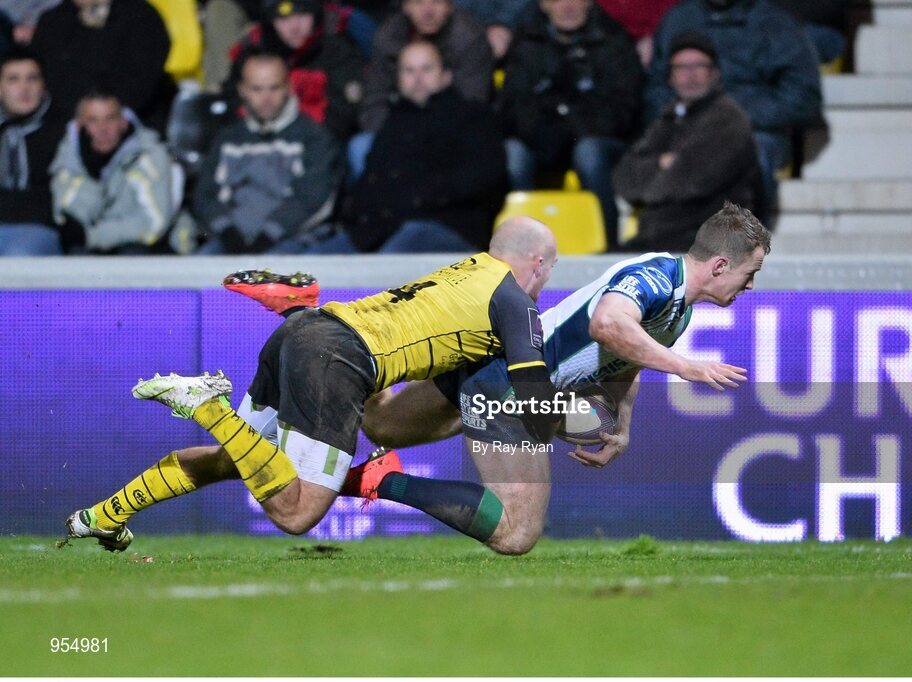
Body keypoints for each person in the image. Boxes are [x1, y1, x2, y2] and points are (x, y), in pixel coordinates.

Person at [223, 201, 768, 555]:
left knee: (382, 423)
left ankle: (302, 311)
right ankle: (376, 480)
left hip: (499, 371)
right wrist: (687, 366)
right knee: (517, 532)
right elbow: (609, 325)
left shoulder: (680, 310)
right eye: (750, 273)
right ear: (720, 265)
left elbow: (627, 360)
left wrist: (621, 427)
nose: (750, 285)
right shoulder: (652, 276)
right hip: (514, 382)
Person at [64, 217, 560, 552]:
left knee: (233, 460)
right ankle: (207, 406)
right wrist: (579, 419)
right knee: (297, 513)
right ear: (538, 263)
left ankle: (103, 515)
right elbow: (536, 400)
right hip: (337, 360)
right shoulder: (516, 301)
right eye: (550, 269)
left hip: (307, 334)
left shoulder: (467, 270)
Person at [645, 0, 822, 219]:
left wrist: (740, 116)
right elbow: (656, 88)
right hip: (690, 127)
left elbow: (803, 94)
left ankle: (744, 243)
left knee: (756, 152)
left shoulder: (775, 22)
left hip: (754, 130)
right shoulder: (678, 19)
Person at [331, 41, 507, 253]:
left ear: (446, 75)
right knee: (311, 263)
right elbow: (371, 183)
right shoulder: (392, 122)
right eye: (409, 70)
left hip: (448, 226)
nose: (418, 78)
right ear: (398, 79)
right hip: (379, 229)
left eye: (427, 69)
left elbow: (484, 175)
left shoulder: (472, 117)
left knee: (387, 263)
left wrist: (422, 197)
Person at [502, 0, 644, 248]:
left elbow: (622, 109)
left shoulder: (613, 39)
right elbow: (514, 104)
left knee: (588, 152)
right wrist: (546, 131)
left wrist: (567, 124)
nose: (568, 6)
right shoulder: (526, 40)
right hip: (542, 138)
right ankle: (516, 248)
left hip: (597, 139)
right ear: (543, 5)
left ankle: (608, 247)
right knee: (513, 153)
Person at [613, 33, 761, 253]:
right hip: (657, 238)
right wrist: (664, 164)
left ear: (715, 73)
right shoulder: (669, 117)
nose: (690, 74)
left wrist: (656, 172)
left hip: (708, 242)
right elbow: (625, 179)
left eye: (698, 66)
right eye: (681, 67)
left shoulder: (728, 119)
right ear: (670, 76)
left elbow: (693, 181)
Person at [191, 50, 341, 254]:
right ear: (242, 90)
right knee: (194, 275)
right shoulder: (228, 139)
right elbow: (205, 195)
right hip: (229, 241)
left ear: (288, 87)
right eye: (257, 89)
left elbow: (314, 198)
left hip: (292, 239)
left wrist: (270, 233)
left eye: (274, 88)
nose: (266, 98)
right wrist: (227, 231)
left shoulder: (313, 137)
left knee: (272, 274)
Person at [349, 0, 492, 181]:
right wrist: (404, 136)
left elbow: (473, 105)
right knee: (360, 147)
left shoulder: (468, 38)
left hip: (454, 132)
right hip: (399, 130)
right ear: (406, 6)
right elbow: (373, 104)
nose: (427, 11)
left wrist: (427, 138)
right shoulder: (388, 37)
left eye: (436, 2)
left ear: (449, 6)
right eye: (418, 3)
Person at [49, 90, 174, 253]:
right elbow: (67, 218)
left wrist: (94, 236)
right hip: (88, 247)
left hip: (139, 245)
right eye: (93, 120)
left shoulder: (149, 155)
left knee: (134, 255)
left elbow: (153, 223)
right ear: (80, 125)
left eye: (110, 118)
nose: (102, 128)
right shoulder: (69, 157)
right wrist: (92, 173)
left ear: (124, 122)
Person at [224, 0, 367, 143]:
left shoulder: (337, 52)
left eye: (303, 15)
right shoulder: (253, 54)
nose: (294, 27)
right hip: (255, 145)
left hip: (318, 146)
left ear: (316, 15)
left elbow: (342, 116)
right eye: (283, 19)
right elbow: (233, 104)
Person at [30, 0, 172, 128]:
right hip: (69, 126)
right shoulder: (52, 22)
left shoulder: (141, 15)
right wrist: (85, 115)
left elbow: (144, 75)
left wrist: (108, 114)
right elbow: (50, 78)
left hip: (136, 123)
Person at [0, 46, 64, 255]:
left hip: (39, 229)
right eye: (13, 79)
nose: (24, 88)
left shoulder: (63, 132)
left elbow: (60, 202)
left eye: (32, 79)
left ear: (43, 85)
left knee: (19, 256)